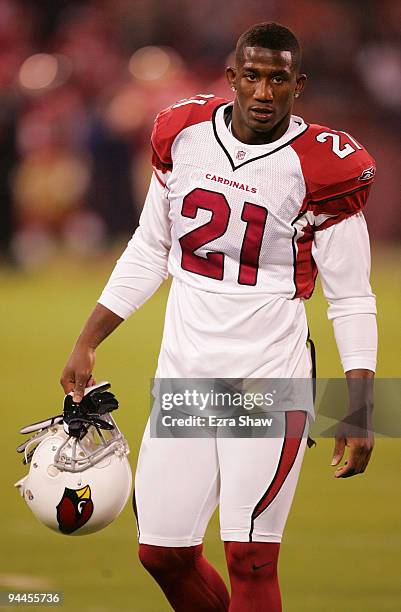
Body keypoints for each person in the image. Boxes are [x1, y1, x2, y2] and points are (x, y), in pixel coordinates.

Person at [61, 22, 377, 612]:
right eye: (252, 77)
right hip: (186, 378)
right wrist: (89, 338)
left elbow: (353, 298)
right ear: (232, 77)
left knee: (250, 558)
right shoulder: (182, 135)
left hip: (268, 381)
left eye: (277, 79)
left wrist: (360, 409)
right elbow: (148, 249)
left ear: (297, 85)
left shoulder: (323, 165)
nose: (263, 92)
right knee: (162, 553)